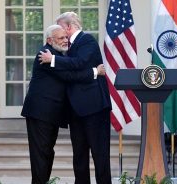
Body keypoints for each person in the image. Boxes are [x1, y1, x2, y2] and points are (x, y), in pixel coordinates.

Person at [21, 24, 106, 184]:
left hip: (51, 115)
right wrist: (95, 72)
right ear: (49, 40)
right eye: (61, 38)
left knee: (47, 153)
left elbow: (72, 68)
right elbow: (69, 75)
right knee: (41, 154)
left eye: (66, 37)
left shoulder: (59, 56)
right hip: (40, 113)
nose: (65, 40)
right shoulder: (45, 54)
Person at [39, 12, 112, 184]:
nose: (61, 35)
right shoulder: (66, 48)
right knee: (79, 156)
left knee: (100, 154)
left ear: (69, 27)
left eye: (61, 28)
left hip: (94, 108)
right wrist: (94, 72)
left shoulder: (87, 41)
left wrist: (53, 59)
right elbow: (69, 74)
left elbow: (79, 63)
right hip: (75, 110)